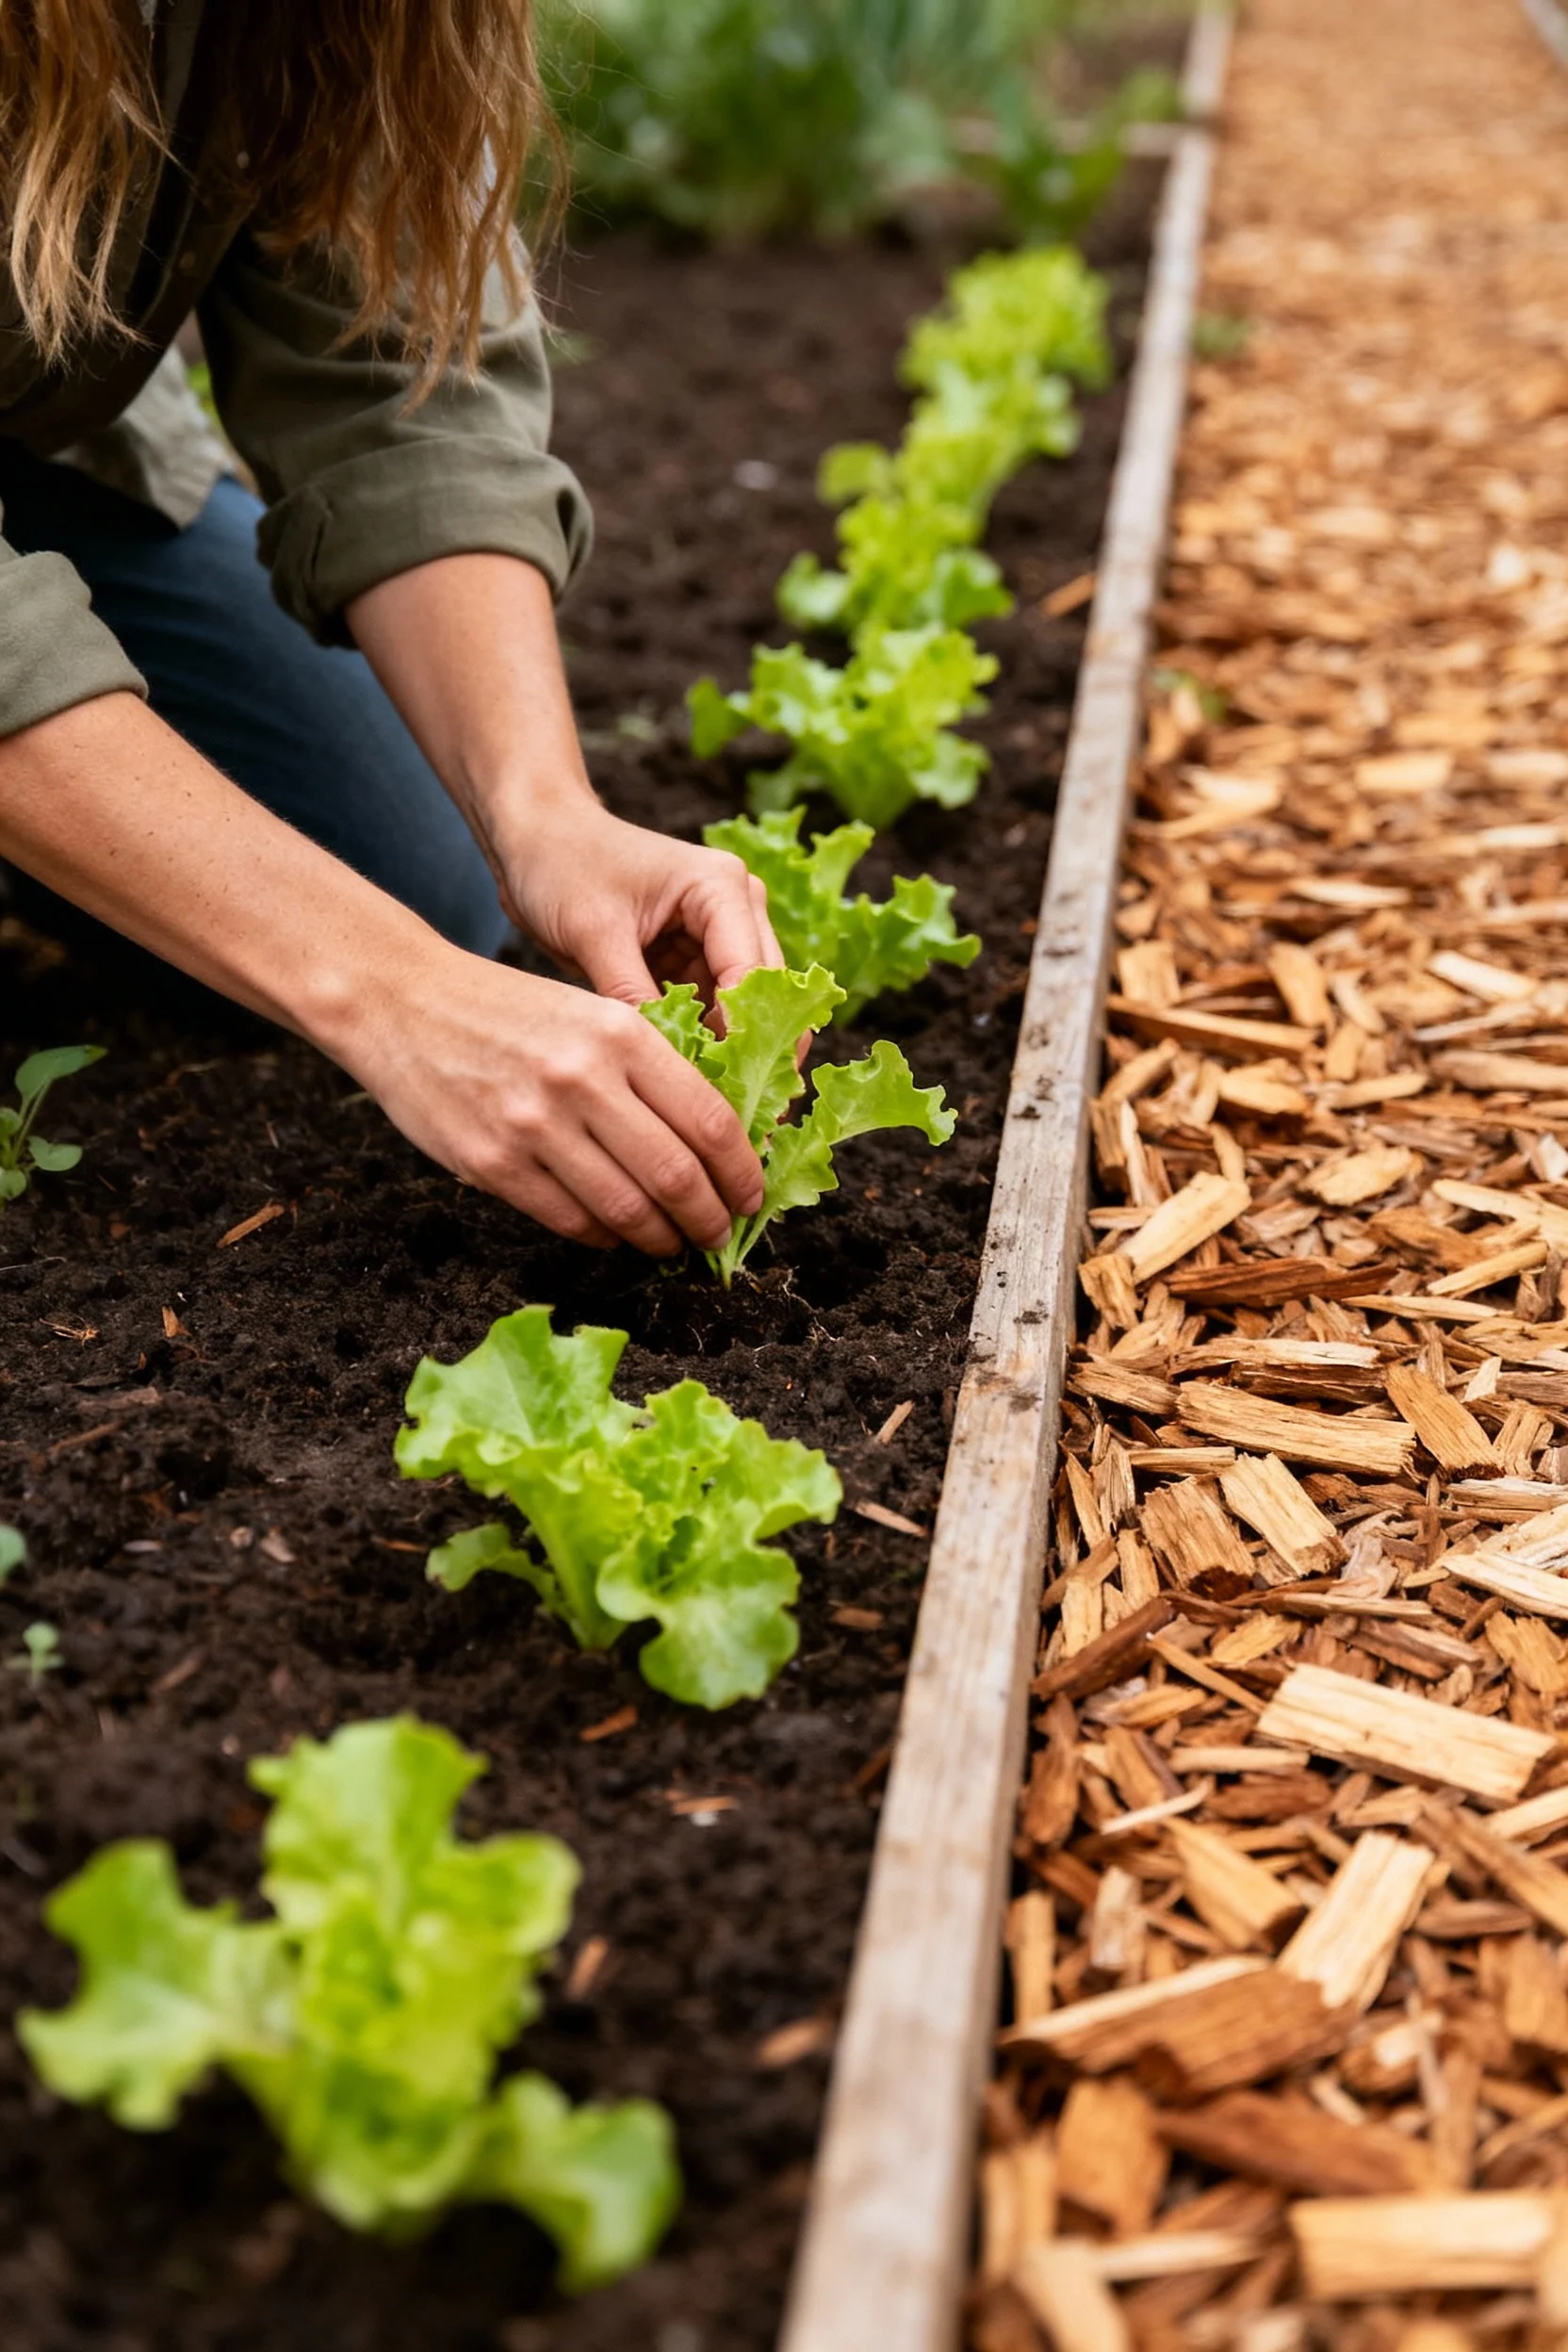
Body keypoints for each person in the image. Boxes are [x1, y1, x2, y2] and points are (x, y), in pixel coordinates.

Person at [0, 0, 780, 1258]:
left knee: (409, 874)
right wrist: (386, 990)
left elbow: (396, 379)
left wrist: (545, 816)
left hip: (45, 445)